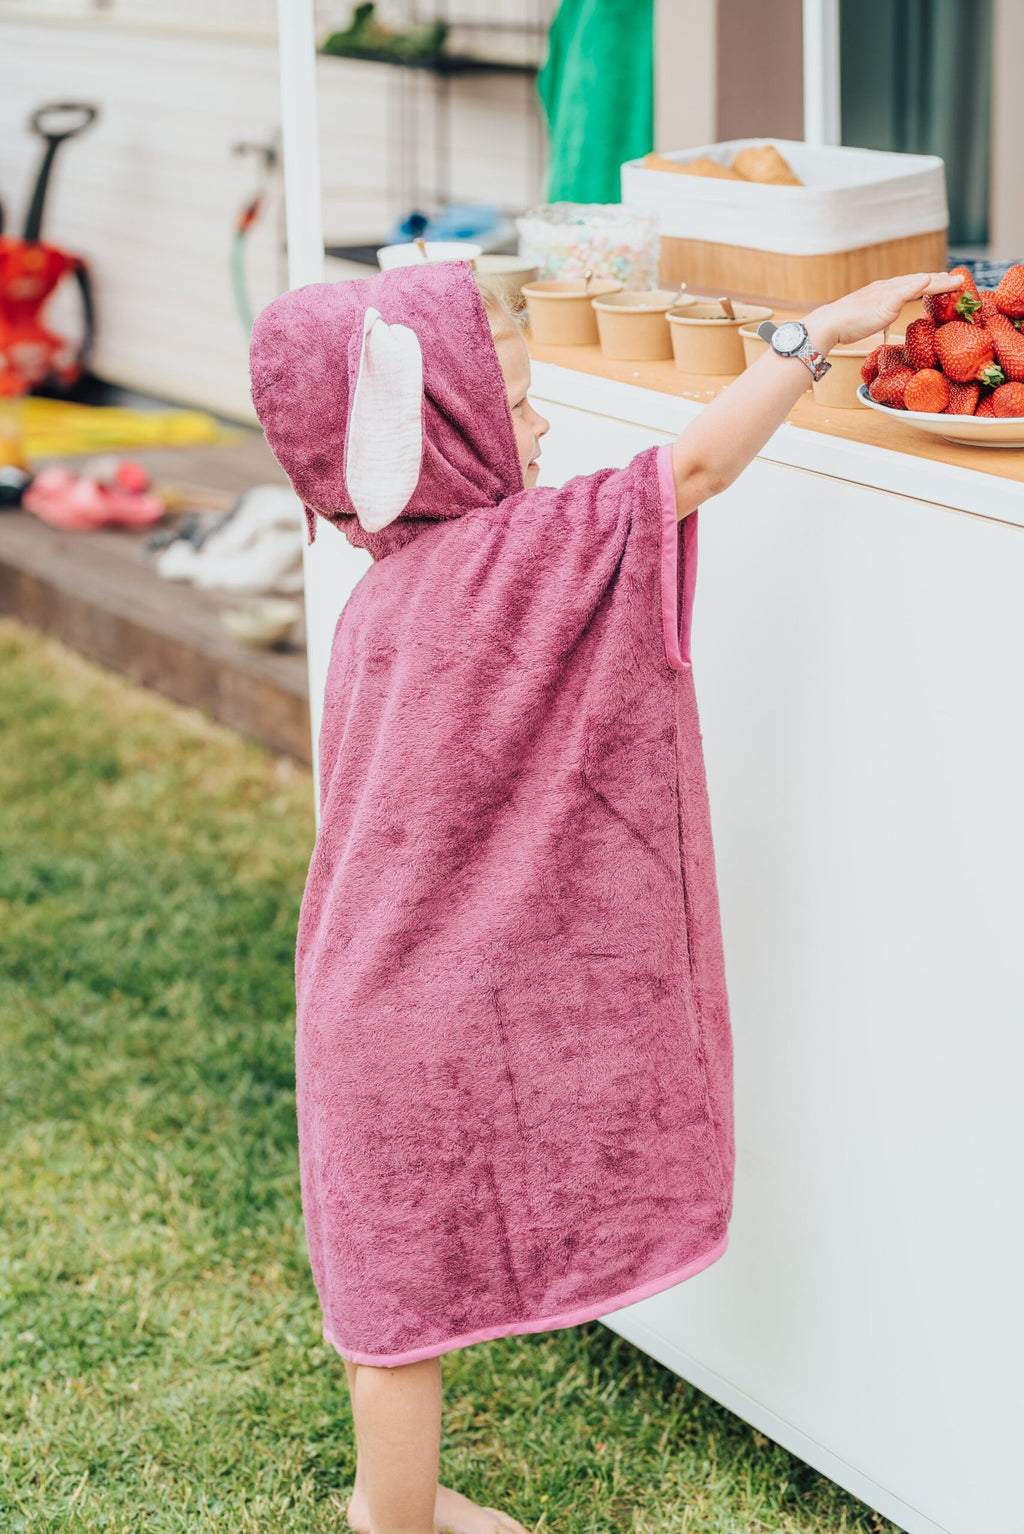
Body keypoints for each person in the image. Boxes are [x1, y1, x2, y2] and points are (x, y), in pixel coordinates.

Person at [249, 262, 961, 1534]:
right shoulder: (512, 559)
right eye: (512, 405)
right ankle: (394, 1527)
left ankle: (392, 1508)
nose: (537, 427)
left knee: (389, 1303)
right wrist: (814, 341)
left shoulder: (380, 603)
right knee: (402, 1307)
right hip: (416, 1009)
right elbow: (687, 471)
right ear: (434, 432)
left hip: (355, 997)